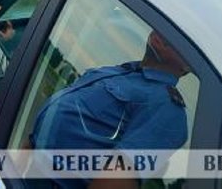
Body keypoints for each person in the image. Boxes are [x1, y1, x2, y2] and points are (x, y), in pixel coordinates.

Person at [30, 31, 190, 189]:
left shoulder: (167, 108)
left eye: (179, 36)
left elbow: (116, 181)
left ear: (187, 65)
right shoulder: (118, 72)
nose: (163, 34)